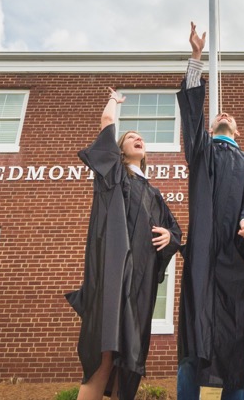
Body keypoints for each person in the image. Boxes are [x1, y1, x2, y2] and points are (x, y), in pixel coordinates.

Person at [66, 88, 183, 400]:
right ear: (119, 150)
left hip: (139, 288)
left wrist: (170, 237)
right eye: (130, 136)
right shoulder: (113, 174)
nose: (137, 138)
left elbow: (175, 232)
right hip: (112, 279)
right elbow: (106, 122)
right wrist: (114, 103)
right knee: (104, 352)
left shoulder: (154, 193)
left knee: (129, 361)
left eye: (140, 138)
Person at [177, 23, 244, 400]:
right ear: (211, 127)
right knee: (196, 336)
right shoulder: (202, 153)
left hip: (236, 260)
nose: (222, 115)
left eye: (229, 117)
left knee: (233, 336)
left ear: (238, 130)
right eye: (216, 117)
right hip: (201, 260)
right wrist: (196, 60)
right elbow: (192, 118)